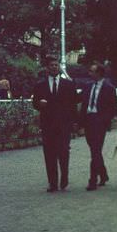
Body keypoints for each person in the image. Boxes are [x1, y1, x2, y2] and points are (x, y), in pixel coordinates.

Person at [31, 56, 77, 192]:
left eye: (56, 65)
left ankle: (64, 178)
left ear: (59, 67)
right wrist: (39, 104)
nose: (54, 67)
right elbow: (35, 103)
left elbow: (73, 105)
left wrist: (74, 123)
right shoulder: (40, 85)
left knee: (63, 152)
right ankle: (52, 182)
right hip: (48, 125)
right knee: (49, 154)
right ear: (47, 68)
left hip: (64, 125)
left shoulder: (68, 84)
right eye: (51, 65)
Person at [78, 62, 117, 191]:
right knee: (94, 150)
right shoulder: (87, 86)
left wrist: (104, 120)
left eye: (92, 71)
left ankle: (92, 180)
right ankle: (104, 174)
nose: (89, 73)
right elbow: (82, 103)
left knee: (95, 150)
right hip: (89, 120)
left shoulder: (109, 88)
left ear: (99, 73)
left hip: (99, 122)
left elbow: (113, 108)